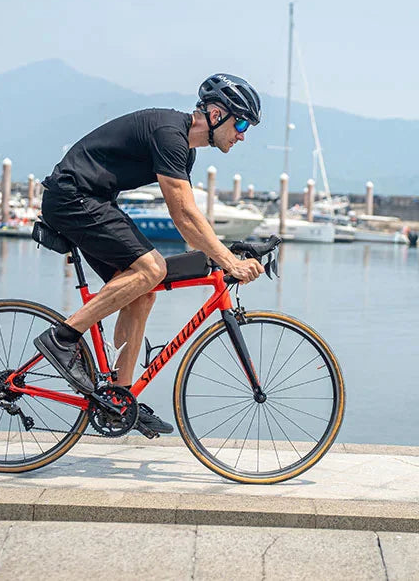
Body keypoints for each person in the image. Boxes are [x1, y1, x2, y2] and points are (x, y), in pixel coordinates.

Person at [34, 74, 266, 435]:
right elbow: (184, 216)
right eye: (240, 123)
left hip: (92, 200)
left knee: (144, 291)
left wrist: (225, 251)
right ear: (217, 113)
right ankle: (63, 338)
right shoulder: (170, 134)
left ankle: (119, 400)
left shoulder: (183, 150)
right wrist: (228, 260)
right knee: (151, 267)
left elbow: (188, 223)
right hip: (71, 196)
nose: (242, 134)